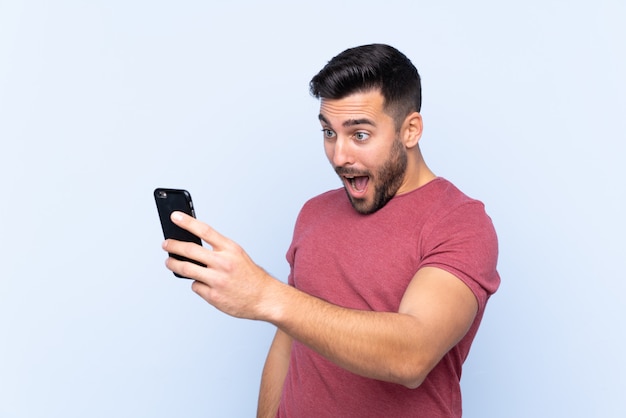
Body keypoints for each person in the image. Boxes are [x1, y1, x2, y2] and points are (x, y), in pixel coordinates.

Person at [161, 43, 500, 418]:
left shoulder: (460, 222)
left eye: (359, 135)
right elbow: (290, 335)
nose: (339, 157)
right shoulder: (314, 213)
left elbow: (412, 356)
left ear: (411, 130)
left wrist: (265, 295)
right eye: (328, 132)